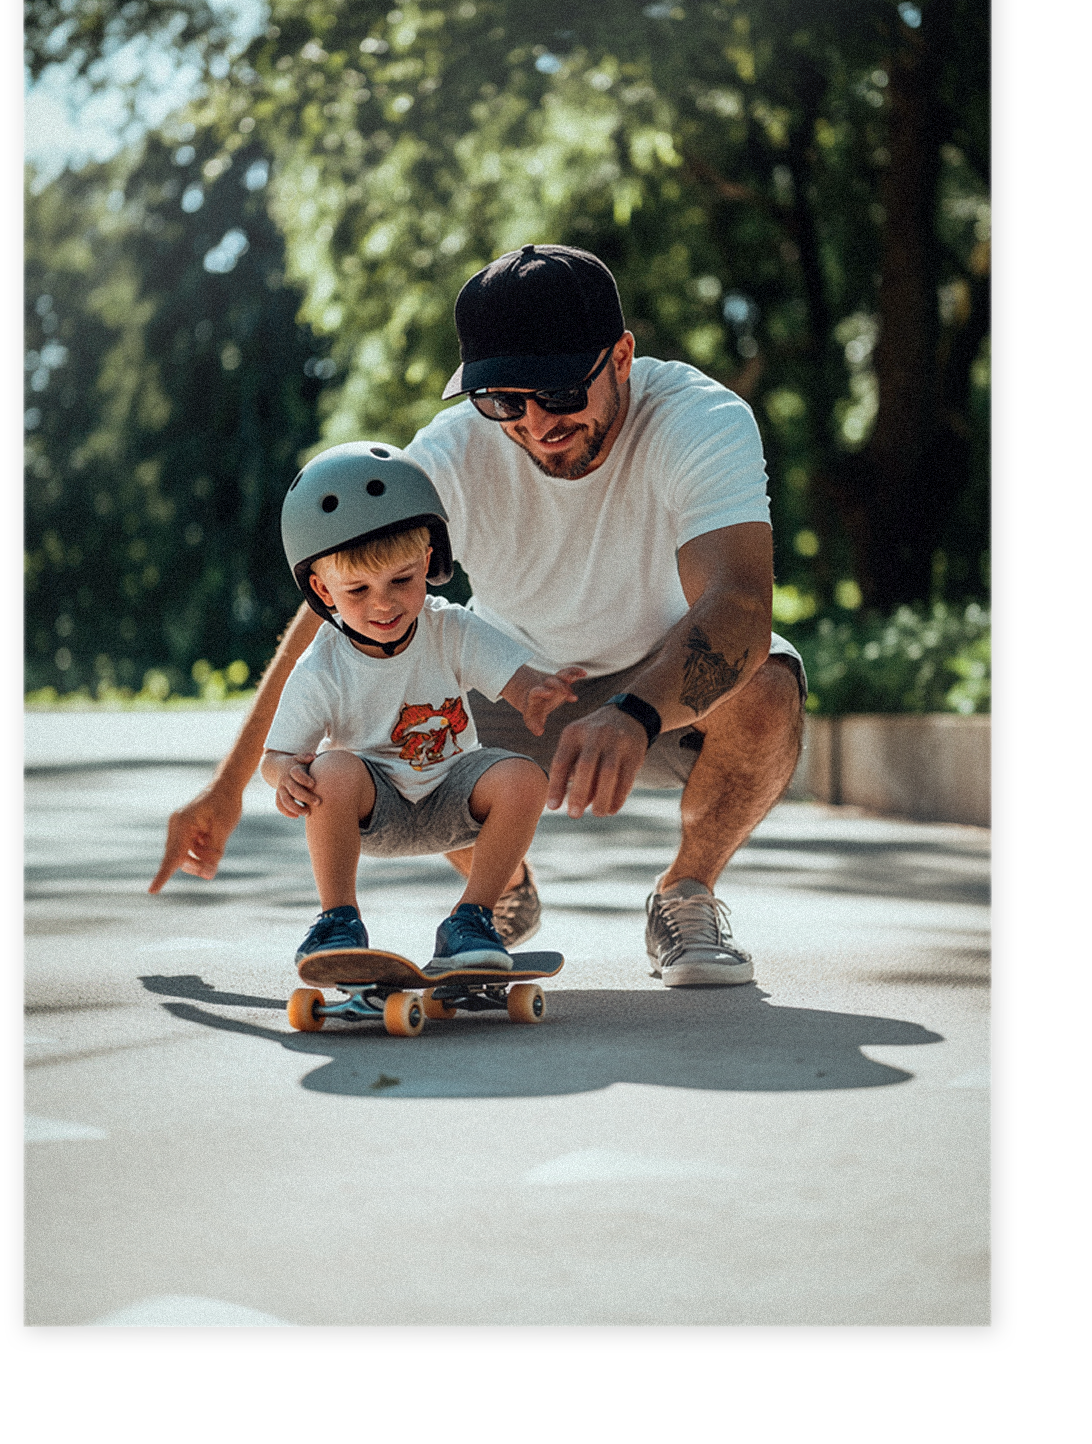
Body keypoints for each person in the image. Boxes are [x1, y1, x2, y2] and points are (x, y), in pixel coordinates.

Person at [151, 243, 806, 989]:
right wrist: (228, 787)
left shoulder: (698, 420)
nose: (536, 422)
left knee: (768, 685)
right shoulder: (451, 455)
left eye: (560, 391)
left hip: (664, 686)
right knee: (369, 700)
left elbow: (739, 603)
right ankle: (499, 892)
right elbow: (332, 617)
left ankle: (685, 893)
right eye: (503, 401)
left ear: (621, 357)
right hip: (508, 685)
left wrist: (634, 712)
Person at [262, 441, 587, 976]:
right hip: (376, 807)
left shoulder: (449, 628)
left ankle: (472, 919)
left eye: (401, 579)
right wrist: (285, 776)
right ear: (322, 589)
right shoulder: (323, 665)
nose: (383, 603)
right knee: (331, 768)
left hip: (453, 795)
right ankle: (338, 921)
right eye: (357, 589)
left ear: (429, 562)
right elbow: (275, 756)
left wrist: (535, 694)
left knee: (524, 778)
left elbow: (515, 679)